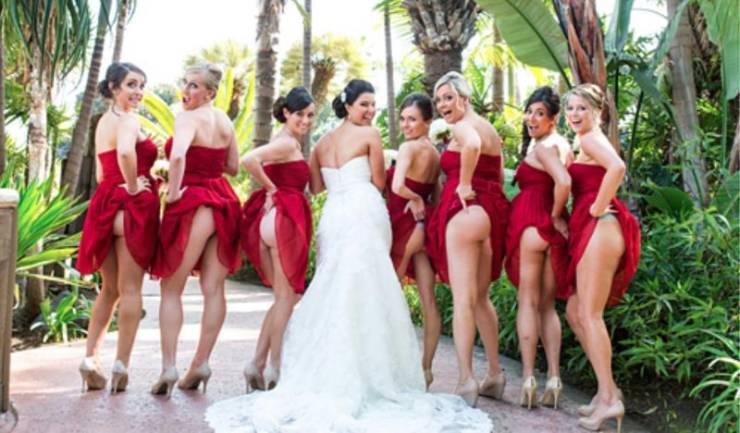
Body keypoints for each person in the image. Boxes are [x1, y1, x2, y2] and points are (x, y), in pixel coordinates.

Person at [205, 79, 491, 432]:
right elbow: (380, 183)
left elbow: (316, 187)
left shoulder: (321, 143)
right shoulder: (370, 135)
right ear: (350, 105)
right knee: (368, 288)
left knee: (334, 286)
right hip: (364, 210)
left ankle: (319, 371)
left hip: (334, 215)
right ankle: (371, 373)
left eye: (373, 104)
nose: (371, 111)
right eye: (365, 104)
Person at [150, 63, 241, 397]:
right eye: (185, 83)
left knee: (171, 288)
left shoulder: (187, 118)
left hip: (194, 202)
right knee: (213, 288)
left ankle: (169, 367)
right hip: (224, 202)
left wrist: (173, 193)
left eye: (194, 86)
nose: (186, 91)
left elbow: (177, 158)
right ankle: (200, 363)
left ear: (210, 93)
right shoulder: (224, 120)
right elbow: (233, 166)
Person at [425, 71, 510, 407]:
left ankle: (466, 379)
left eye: (448, 97)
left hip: (464, 213)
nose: (443, 105)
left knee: (463, 300)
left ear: (465, 98)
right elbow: (499, 174)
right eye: (439, 100)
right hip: (490, 215)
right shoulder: (488, 127)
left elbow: (471, 145)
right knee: (481, 299)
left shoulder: (464, 126)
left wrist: (462, 183)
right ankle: (495, 375)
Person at [76, 62, 159, 393]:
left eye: (142, 85)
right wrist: (135, 186)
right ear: (114, 87)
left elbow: (100, 174)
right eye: (131, 84)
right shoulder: (129, 119)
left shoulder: (102, 122)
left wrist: (121, 183)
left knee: (108, 290)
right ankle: (121, 365)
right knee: (131, 290)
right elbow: (126, 152)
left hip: (105, 204)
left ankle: (90, 358)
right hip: (130, 206)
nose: (138, 91)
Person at [562, 84, 640, 433]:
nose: (575, 114)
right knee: (575, 311)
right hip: (592, 229)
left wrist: (595, 206)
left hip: (600, 227)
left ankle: (610, 399)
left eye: (582, 108)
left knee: (590, 315)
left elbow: (617, 167)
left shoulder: (592, 138)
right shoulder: (585, 140)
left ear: (598, 111)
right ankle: (606, 391)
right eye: (570, 108)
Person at [240, 87, 316, 392]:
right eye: (300, 114)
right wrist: (272, 189)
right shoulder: (286, 142)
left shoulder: (283, 139)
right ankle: (275, 367)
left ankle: (256, 364)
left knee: (283, 299)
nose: (306, 121)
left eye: (310, 115)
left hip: (272, 220)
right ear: (286, 112)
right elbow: (249, 159)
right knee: (287, 298)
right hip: (283, 219)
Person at [504, 86, 572, 409]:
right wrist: (558, 217)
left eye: (540, 113)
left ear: (553, 119)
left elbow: (564, 182)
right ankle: (554, 379)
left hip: (534, 223)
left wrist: (555, 215)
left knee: (528, 303)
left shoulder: (545, 147)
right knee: (547, 307)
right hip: (552, 231)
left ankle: (529, 378)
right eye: (529, 111)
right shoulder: (564, 145)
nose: (531, 118)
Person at [386, 92, 441, 389]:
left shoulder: (408, 148)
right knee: (428, 300)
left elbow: (397, 185)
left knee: (389, 295)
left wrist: (414, 197)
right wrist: (422, 198)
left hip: (406, 226)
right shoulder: (435, 153)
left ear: (428, 122)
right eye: (403, 119)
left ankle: (391, 364)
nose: (406, 125)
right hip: (424, 227)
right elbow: (438, 196)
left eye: (413, 119)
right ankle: (426, 368)